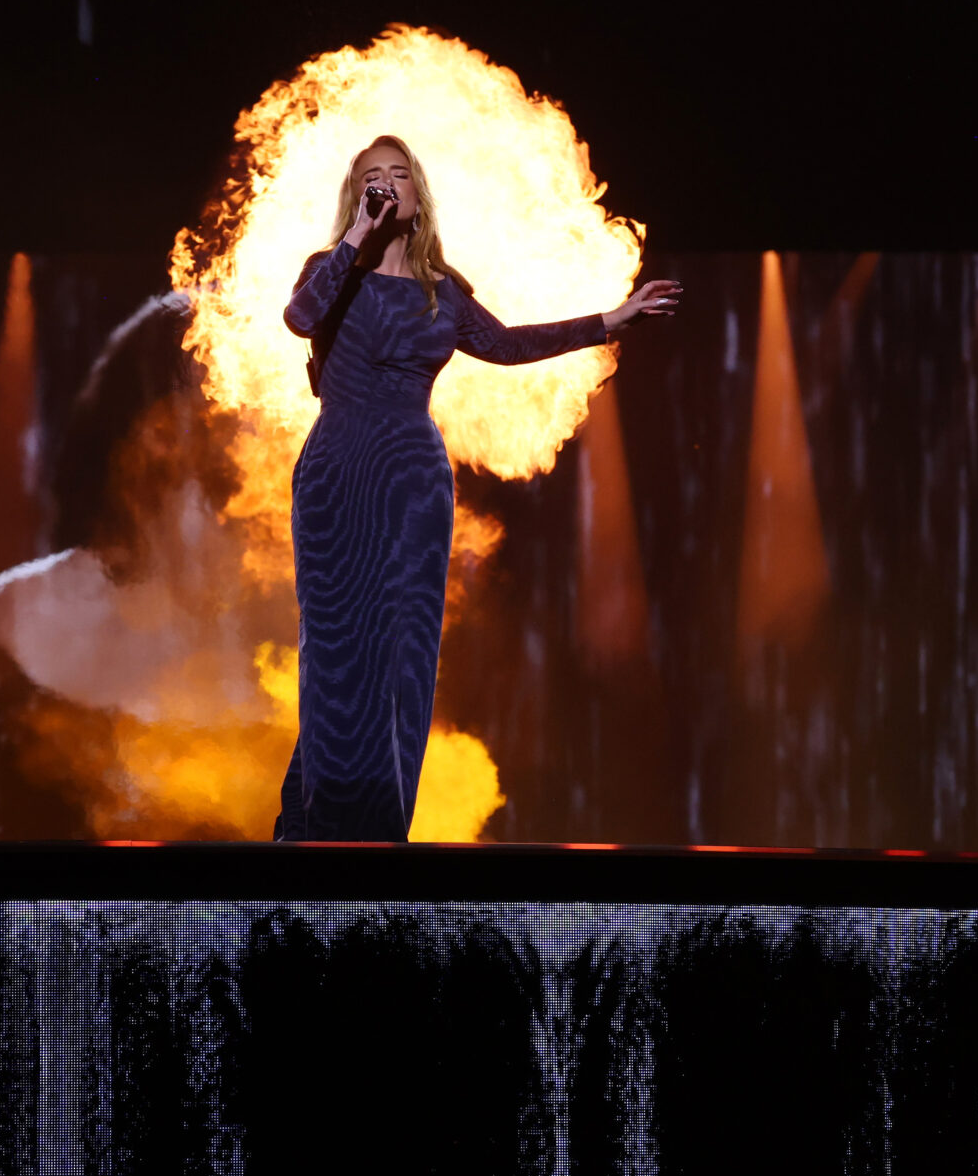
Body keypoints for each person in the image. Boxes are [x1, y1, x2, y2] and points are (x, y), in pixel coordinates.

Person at [272, 135, 682, 841]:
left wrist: (609, 321)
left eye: (398, 174)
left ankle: (373, 833)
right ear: (357, 194)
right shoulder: (328, 270)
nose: (387, 183)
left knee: (399, 654)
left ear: (418, 191)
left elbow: (508, 344)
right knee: (337, 647)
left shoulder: (443, 290)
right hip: (338, 473)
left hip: (412, 485)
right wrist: (355, 237)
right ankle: (313, 831)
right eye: (372, 177)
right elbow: (300, 318)